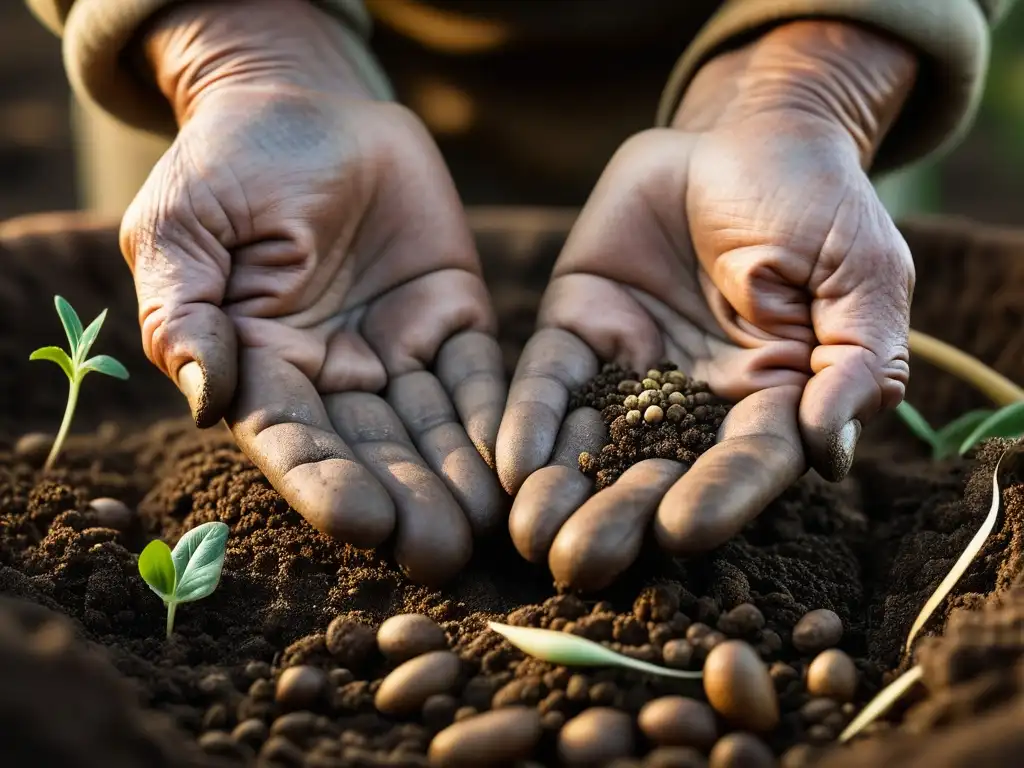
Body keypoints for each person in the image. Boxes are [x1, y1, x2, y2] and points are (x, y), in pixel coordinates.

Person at [25, 0, 1016, 585]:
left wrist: (813, 83)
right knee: (239, 356)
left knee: (796, 323)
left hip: (774, 67)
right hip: (270, 61)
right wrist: (238, 53)